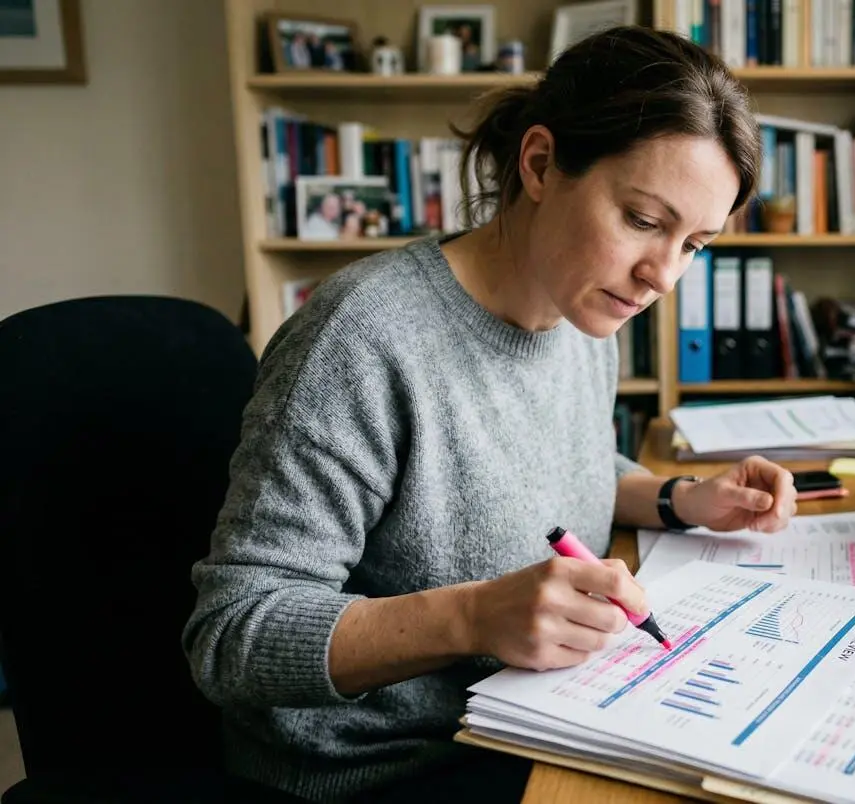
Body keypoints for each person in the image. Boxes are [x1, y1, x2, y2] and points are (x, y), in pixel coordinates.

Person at [182, 24, 794, 804]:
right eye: (643, 221)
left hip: (528, 724)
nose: (662, 276)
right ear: (539, 164)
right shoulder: (363, 339)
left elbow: (538, 458)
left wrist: (676, 498)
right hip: (380, 772)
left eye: (694, 243)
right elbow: (232, 636)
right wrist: (472, 617)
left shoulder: (581, 314)